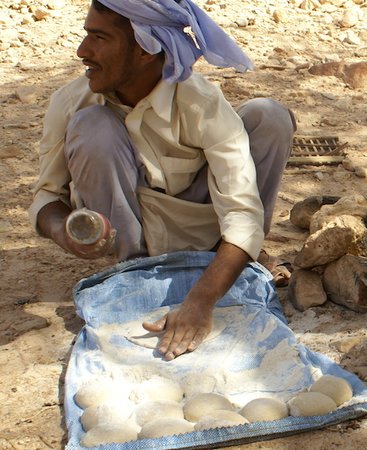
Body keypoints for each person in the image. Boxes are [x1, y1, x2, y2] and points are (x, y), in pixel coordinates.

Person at [29, 0, 296, 360]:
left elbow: (243, 214)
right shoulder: (71, 102)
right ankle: (133, 276)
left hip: (207, 230)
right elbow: (47, 198)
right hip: (134, 237)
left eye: (99, 37)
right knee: (92, 127)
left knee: (270, 117)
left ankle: (232, 263)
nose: (83, 51)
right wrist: (63, 229)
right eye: (86, 35)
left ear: (143, 50)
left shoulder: (200, 103)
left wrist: (200, 303)